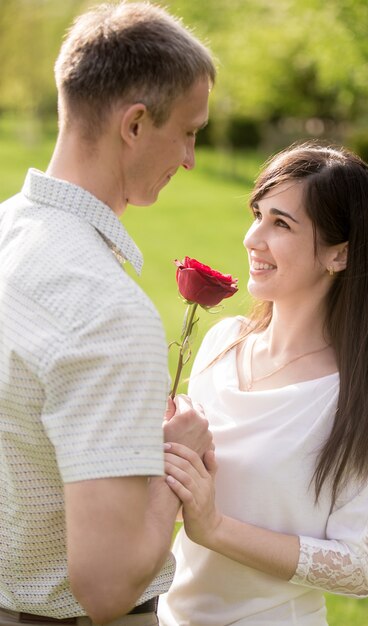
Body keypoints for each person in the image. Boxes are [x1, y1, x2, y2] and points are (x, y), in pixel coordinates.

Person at [0, 3, 216, 626]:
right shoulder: (108, 310)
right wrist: (175, 467)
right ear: (135, 125)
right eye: (189, 130)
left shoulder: (8, 232)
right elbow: (107, 583)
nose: (192, 157)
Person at [159, 143, 368, 625]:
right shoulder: (222, 343)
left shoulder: (366, 396)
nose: (252, 238)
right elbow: (183, 498)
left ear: (339, 254)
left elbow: (361, 566)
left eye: (281, 224)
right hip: (169, 616)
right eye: (257, 215)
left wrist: (214, 527)